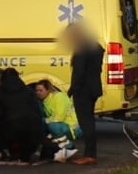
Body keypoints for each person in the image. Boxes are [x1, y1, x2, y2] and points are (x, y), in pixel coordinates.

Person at [64, 22, 104, 165]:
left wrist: (72, 90)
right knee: (89, 121)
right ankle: (90, 153)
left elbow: (79, 72)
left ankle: (90, 155)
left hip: (84, 90)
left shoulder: (82, 49)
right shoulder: (94, 46)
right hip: (93, 88)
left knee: (85, 122)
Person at [0, 68, 49, 163]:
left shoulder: (0, 94)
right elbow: (38, 112)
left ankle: (5, 152)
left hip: (12, 131)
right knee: (25, 156)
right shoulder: (29, 91)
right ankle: (34, 151)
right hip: (32, 131)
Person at [34, 79, 81, 162]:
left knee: (52, 126)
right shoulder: (44, 101)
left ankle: (69, 148)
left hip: (73, 127)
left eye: (41, 90)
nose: (38, 92)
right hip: (62, 125)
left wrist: (44, 121)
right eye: (36, 90)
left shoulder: (59, 97)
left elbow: (58, 118)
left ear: (48, 90)